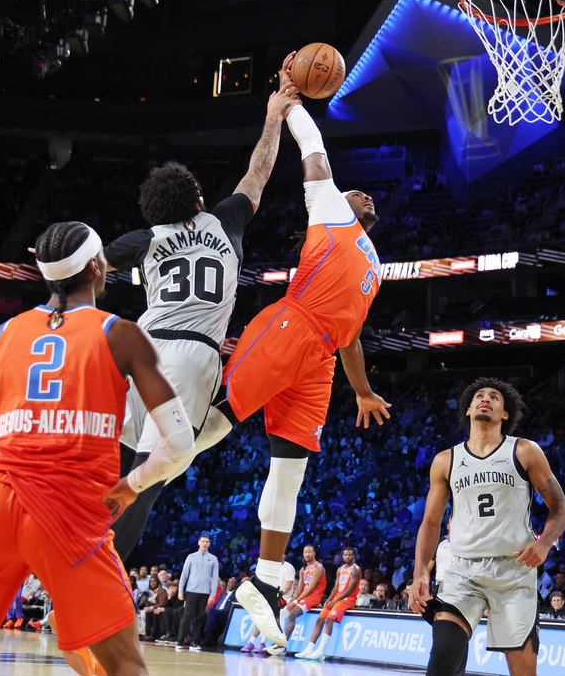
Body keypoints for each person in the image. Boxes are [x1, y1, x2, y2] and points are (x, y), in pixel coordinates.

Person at [0, 221, 190, 676]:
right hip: (69, 510)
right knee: (125, 665)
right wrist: (132, 485)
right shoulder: (120, 333)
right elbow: (179, 443)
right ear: (95, 267)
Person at [159, 50, 392, 647]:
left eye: (367, 195)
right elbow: (314, 150)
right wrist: (290, 102)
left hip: (320, 359)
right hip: (291, 326)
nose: (364, 194)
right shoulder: (330, 210)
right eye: (357, 190)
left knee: (289, 474)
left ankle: (262, 582)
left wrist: (362, 389)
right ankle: (142, 478)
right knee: (215, 427)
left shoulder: (374, 266)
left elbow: (353, 336)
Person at [104, 61, 302, 561]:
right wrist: (274, 115)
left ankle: (75, 561)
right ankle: (99, 582)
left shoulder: (147, 238)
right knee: (150, 475)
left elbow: (94, 262)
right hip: (190, 357)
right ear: (196, 198)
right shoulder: (224, 221)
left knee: (124, 462)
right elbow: (259, 171)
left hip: (138, 348)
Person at [409, 378, 565, 676]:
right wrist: (420, 572)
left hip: (514, 572)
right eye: (479, 396)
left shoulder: (524, 451)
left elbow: (561, 508)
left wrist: (544, 543)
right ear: (469, 409)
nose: (486, 399)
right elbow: (431, 523)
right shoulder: (446, 460)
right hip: (464, 572)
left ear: (505, 413)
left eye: (495, 397)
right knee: (442, 659)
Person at [294, 547, 360, 661]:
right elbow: (336, 587)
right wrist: (329, 599)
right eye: (345, 555)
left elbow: (350, 589)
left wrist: (335, 601)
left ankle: (320, 651)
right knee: (320, 619)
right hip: (337, 597)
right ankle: (309, 648)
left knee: (329, 619)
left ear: (354, 556)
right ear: (342, 556)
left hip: (348, 599)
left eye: (350, 555)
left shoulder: (356, 569)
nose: (347, 557)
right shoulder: (340, 569)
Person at [267, 544, 326, 657]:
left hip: (314, 596)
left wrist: (295, 602)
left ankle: (282, 645)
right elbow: (299, 587)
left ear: (314, 554)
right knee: (284, 611)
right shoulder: (303, 569)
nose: (307, 554)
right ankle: (279, 644)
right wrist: (292, 599)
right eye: (305, 552)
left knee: (292, 613)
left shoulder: (318, 567)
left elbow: (311, 589)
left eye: (309, 552)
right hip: (304, 596)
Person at [242, 554, 295, 654]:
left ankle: (263, 643)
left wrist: (277, 594)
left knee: (270, 615)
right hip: (271, 596)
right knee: (261, 616)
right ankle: (251, 642)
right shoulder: (271, 568)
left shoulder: (289, 568)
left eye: (282, 552)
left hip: (284, 598)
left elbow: (288, 587)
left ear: (285, 555)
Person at [176, 534, 218, 652]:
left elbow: (215, 577)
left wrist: (212, 594)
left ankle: (194, 641)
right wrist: (180, 591)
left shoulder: (213, 558)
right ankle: (180, 641)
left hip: (204, 592)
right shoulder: (191, 557)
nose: (205, 543)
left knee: (199, 618)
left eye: (207, 541)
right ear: (198, 543)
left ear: (209, 544)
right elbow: (184, 574)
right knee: (187, 615)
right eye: (203, 541)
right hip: (191, 591)